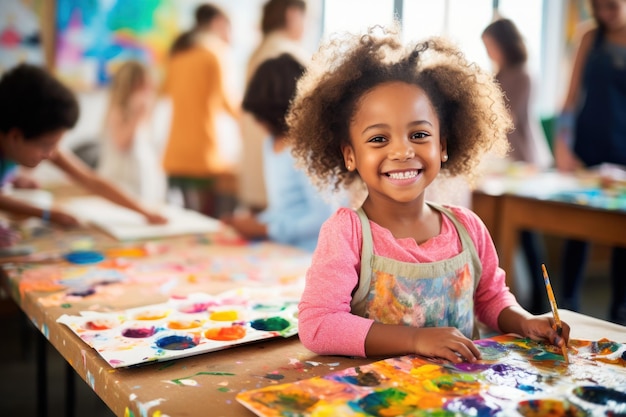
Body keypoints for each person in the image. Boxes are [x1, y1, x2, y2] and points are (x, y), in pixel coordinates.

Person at [291, 25, 570, 360]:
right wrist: (416, 340)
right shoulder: (348, 234)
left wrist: (525, 322)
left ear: (443, 146)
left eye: (419, 135)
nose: (402, 151)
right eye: (379, 139)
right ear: (350, 155)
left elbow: (491, 299)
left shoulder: (467, 228)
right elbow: (319, 324)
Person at [0, 63, 167, 227]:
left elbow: (91, 180)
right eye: (47, 145)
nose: (51, 154)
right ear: (15, 136)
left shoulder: (31, 139)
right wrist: (46, 213)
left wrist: (144, 212)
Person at [222, 54, 339, 252]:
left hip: (310, 253)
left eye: (262, 116)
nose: (259, 123)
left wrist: (265, 228)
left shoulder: (309, 150)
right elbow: (284, 210)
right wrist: (256, 221)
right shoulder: (271, 142)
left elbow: (323, 217)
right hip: (281, 249)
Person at [554, 0, 626, 325]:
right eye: (598, 7)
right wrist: (562, 146)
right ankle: (567, 305)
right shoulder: (588, 37)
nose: (604, 13)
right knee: (576, 229)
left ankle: (619, 312)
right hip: (586, 149)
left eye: (611, 6)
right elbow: (569, 99)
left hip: (622, 152)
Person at [481, 18, 554, 314]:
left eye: (491, 46)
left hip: (524, 161)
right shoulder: (498, 75)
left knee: (527, 235)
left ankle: (540, 300)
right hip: (503, 165)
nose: (489, 52)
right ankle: (513, 302)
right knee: (506, 229)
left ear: (504, 43)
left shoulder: (523, 75)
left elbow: (510, 120)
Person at [161, 3, 240, 218]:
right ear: (218, 23)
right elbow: (228, 103)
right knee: (208, 220)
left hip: (174, 154)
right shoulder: (215, 53)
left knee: (185, 219)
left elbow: (164, 91)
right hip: (203, 155)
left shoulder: (177, 54)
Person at [238, 0, 308, 213]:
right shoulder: (288, 55)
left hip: (256, 172)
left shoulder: (257, 53)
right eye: (306, 19)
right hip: (286, 181)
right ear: (292, 14)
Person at [97, 60, 167, 206]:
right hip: (119, 186)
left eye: (149, 87)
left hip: (146, 187)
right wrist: (137, 116)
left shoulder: (156, 114)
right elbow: (121, 144)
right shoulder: (118, 112)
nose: (147, 92)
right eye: (142, 87)